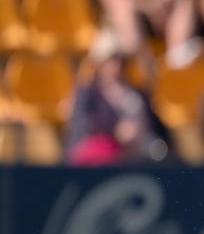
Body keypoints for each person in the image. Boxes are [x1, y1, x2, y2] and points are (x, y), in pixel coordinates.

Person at [66, 30, 172, 166]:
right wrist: (116, 132)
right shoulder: (88, 94)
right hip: (102, 156)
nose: (117, 65)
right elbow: (82, 126)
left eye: (120, 60)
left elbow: (157, 128)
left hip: (140, 155)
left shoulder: (138, 94)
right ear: (100, 64)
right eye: (111, 60)